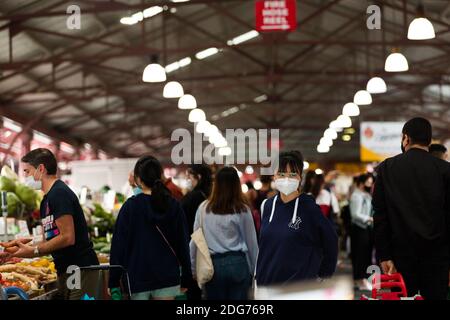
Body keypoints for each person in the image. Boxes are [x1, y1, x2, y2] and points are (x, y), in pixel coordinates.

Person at [0, 148, 99, 300]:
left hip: (79, 268)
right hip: (68, 269)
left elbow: (67, 237)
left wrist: (35, 251)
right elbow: (52, 239)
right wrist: (18, 250)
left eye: (27, 171)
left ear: (41, 169)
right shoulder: (47, 198)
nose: (25, 177)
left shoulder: (59, 193)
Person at [372, 117, 450, 300]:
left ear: (405, 138)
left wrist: (384, 255)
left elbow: (380, 216)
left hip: (399, 257)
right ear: (429, 141)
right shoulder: (445, 170)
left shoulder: (386, 169)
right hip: (437, 257)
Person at [109, 156, 191, 300]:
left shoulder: (130, 207)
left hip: (138, 277)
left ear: (138, 179)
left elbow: (118, 246)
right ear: (160, 176)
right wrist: (186, 276)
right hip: (168, 277)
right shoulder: (173, 205)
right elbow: (183, 243)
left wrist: (113, 281)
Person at [256, 151, 338, 286]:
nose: (286, 179)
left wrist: (323, 274)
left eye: (292, 174)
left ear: (300, 177)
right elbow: (263, 247)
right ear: (274, 176)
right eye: (281, 174)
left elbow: (331, 240)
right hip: (267, 286)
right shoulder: (267, 206)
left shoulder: (309, 208)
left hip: (296, 288)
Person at [190, 167, 258, 300]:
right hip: (238, 264)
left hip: (212, 266)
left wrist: (193, 268)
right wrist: (255, 271)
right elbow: (252, 243)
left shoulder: (203, 208)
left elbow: (195, 241)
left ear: (216, 184)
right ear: (236, 185)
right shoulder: (242, 209)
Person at [180, 164, 212, 300]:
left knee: (194, 292)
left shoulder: (191, 198)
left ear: (198, 177)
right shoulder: (211, 196)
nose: (187, 180)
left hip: (193, 250)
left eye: (189, 177)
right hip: (209, 250)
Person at [349, 174, 374, 291]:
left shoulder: (366, 194)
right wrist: (369, 218)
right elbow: (355, 214)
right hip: (359, 229)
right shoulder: (356, 195)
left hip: (366, 228)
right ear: (361, 183)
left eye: (371, 183)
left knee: (366, 255)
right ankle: (359, 280)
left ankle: (363, 278)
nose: (369, 185)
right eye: (368, 183)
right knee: (359, 255)